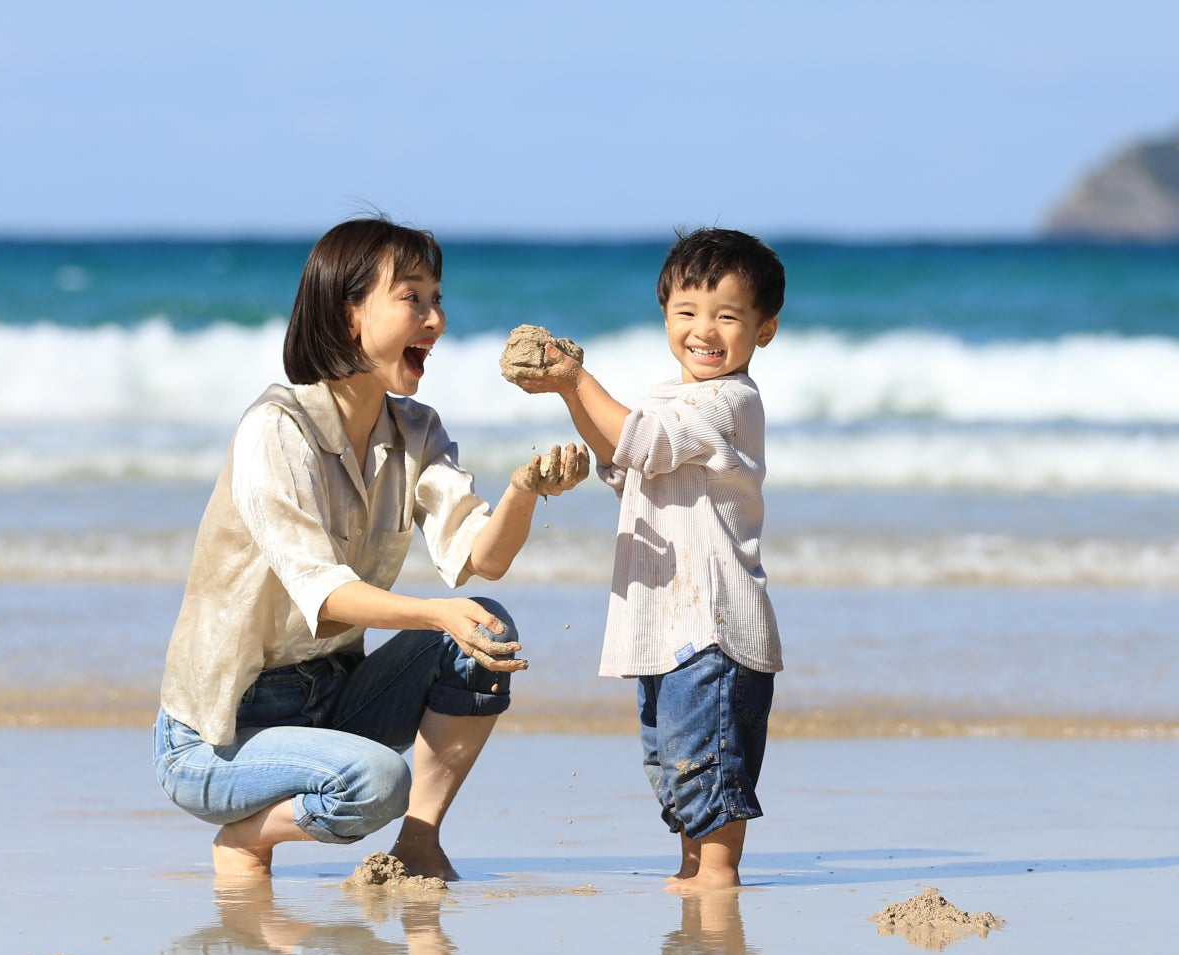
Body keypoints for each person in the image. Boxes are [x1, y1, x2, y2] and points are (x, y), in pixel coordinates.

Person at [156, 217, 590, 881]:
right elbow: (325, 601)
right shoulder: (276, 429)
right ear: (345, 314)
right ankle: (244, 838)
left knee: (486, 624)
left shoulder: (416, 430)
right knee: (378, 783)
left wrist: (524, 492)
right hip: (219, 737)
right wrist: (433, 612)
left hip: (332, 701)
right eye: (412, 298)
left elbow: (482, 557)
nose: (435, 319)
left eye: (437, 298)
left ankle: (420, 841)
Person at [507, 228, 783, 891]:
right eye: (687, 313)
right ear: (665, 317)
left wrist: (575, 380)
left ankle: (716, 881)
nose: (704, 330)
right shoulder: (668, 396)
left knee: (706, 764)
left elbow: (640, 440)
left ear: (764, 329)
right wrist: (576, 418)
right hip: (668, 625)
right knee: (672, 763)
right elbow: (628, 454)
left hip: (714, 629)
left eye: (727, 316)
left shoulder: (730, 400)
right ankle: (694, 870)